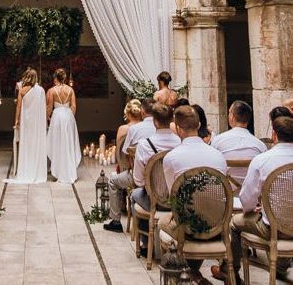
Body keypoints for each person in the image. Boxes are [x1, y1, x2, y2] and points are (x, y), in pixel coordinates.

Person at [213, 116, 293, 284]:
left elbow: (246, 198)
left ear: (274, 135)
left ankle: (231, 272)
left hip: (273, 227)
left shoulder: (263, 159)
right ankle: (281, 266)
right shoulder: (262, 154)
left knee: (233, 224)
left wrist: (253, 209)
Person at [163, 105, 228, 282]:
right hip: (218, 225)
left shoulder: (172, 158)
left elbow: (173, 196)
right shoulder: (218, 156)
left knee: (161, 225)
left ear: (177, 129)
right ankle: (194, 272)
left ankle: (188, 273)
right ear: (199, 125)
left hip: (188, 227)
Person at [103, 102, 179, 234]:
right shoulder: (179, 141)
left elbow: (138, 179)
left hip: (150, 191)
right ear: (172, 120)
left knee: (115, 183)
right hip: (174, 196)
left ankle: (121, 224)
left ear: (155, 122)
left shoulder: (144, 144)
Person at [6, 68, 47, 184]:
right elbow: (43, 108)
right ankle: (37, 170)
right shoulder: (41, 90)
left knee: (27, 145)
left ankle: (26, 169)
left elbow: (18, 107)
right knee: (36, 144)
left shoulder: (22, 90)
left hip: (26, 122)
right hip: (37, 122)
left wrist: (16, 121)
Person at [211, 100, 266, 185]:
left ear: (232, 116)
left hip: (225, 194)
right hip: (251, 196)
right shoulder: (260, 145)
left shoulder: (217, 141)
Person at [46, 68, 82, 184]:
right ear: (65, 77)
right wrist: (70, 117)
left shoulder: (51, 91)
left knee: (57, 142)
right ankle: (69, 170)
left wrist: (47, 118)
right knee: (68, 142)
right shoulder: (70, 90)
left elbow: (49, 107)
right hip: (68, 116)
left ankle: (58, 170)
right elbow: (74, 106)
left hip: (57, 117)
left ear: (55, 78)